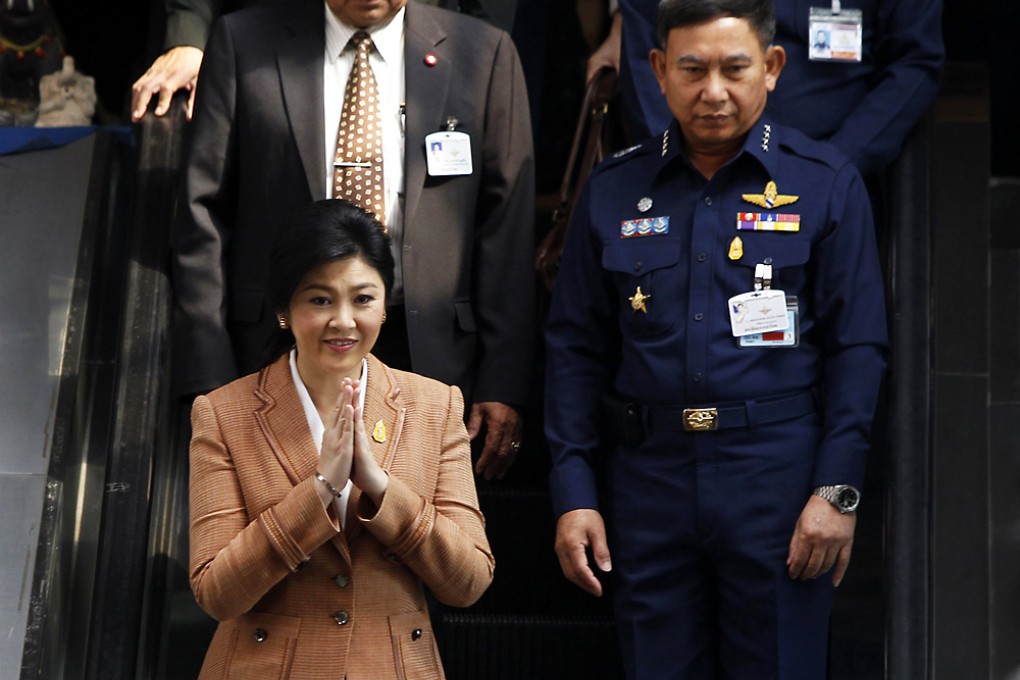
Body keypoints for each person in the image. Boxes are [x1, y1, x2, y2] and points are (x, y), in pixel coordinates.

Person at [545, 0, 888, 677]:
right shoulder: (615, 188)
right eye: (692, 69)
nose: (713, 92)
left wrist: (837, 491)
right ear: (658, 70)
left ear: (772, 68)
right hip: (650, 482)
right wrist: (574, 492)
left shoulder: (824, 184)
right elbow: (573, 351)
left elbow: (860, 349)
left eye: (735, 69)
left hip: (778, 482)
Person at [171, 0, 535, 480]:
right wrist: (209, 378)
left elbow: (506, 229)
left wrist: (503, 379)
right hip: (275, 351)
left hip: (426, 353)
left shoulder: (482, 53)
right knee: (282, 537)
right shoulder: (245, 43)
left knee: (414, 538)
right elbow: (202, 216)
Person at [189, 198, 493, 678]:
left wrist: (382, 488)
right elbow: (216, 593)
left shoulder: (436, 406)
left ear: (385, 305)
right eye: (320, 299)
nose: (344, 321)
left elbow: (469, 582)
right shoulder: (223, 413)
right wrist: (319, 492)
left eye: (363, 299)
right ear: (285, 309)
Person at [584, 0, 943, 178]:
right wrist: (684, 166)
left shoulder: (834, 180)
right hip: (692, 175)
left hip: (832, 169)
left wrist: (838, 166)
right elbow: (645, 49)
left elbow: (914, 62)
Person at [130, 0, 520, 122]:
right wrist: (191, 42)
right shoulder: (243, 44)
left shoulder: (484, 55)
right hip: (280, 44)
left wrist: (478, 61)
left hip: (423, 39)